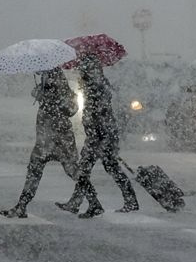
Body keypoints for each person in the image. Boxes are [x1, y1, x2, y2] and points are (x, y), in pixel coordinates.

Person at [56, 54, 138, 218]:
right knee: (101, 168)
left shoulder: (95, 86)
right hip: (100, 134)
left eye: (81, 69)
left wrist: (100, 136)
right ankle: (82, 202)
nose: (79, 72)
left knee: (92, 169)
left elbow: (99, 113)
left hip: (100, 135)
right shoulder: (95, 84)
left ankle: (91, 203)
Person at [0, 67, 80, 218]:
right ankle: (22, 205)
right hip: (46, 137)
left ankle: (92, 200)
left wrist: (44, 94)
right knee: (35, 170)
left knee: (72, 171)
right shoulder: (48, 78)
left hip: (57, 137)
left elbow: (67, 108)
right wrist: (41, 92)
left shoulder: (55, 79)